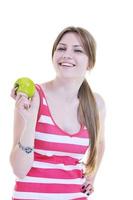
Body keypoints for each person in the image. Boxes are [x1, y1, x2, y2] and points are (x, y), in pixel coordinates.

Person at [10, 26, 106, 200]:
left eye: (77, 50)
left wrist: (92, 176)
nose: (66, 55)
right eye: (61, 48)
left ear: (91, 62)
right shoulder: (35, 96)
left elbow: (99, 143)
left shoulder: (96, 103)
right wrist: (30, 121)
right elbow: (19, 169)